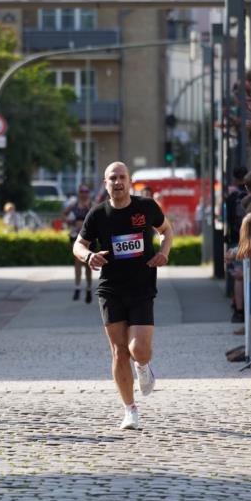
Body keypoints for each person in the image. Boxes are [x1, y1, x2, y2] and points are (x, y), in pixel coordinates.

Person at [73, 162, 173, 431]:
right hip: (110, 288)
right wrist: (88, 256)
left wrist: (165, 251)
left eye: (122, 177)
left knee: (137, 349)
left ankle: (143, 366)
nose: (117, 182)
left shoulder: (146, 207)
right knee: (118, 351)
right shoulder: (97, 214)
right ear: (105, 183)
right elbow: (78, 244)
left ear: (129, 181)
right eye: (112, 178)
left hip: (141, 287)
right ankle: (130, 410)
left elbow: (167, 231)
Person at [63, 184, 94, 302]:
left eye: (86, 191)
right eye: (82, 191)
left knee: (88, 264)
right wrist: (69, 221)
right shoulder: (73, 205)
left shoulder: (92, 205)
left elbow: (99, 216)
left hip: (89, 237)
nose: (84, 193)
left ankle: (89, 289)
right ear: (79, 192)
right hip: (75, 236)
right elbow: (63, 215)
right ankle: (77, 288)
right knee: (78, 261)